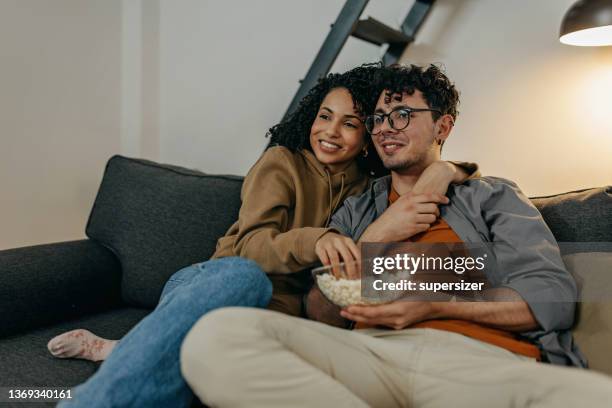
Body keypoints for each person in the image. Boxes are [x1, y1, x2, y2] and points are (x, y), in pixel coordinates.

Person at [180, 64, 612, 408]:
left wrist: (431, 302)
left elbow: (551, 299)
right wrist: (375, 238)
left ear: (443, 127)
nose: (385, 127)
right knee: (217, 336)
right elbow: (319, 310)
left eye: (403, 114)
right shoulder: (355, 208)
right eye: (378, 118)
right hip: (369, 357)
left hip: (478, 361)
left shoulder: (491, 196)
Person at [55, 63, 476, 407]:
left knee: (218, 372)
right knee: (247, 279)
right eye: (324, 117)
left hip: (276, 316)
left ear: (368, 135)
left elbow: (436, 166)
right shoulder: (282, 163)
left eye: (350, 124)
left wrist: (447, 169)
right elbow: (250, 248)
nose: (331, 131)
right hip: (217, 284)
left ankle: (124, 356)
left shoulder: (369, 188)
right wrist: (316, 240)